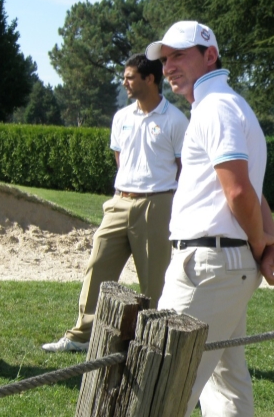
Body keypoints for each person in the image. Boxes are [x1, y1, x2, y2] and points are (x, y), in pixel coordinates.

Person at [146, 21, 274, 416]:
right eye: (165, 60)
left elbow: (238, 190)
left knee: (160, 389)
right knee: (225, 388)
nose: (168, 67)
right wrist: (266, 245)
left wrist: (259, 244)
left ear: (210, 55)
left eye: (179, 55)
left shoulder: (215, 107)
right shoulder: (228, 104)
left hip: (208, 269)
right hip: (223, 268)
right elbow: (251, 190)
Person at [42, 54, 189, 353]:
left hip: (157, 204)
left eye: (130, 77)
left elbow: (183, 166)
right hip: (119, 202)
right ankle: (82, 335)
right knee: (97, 265)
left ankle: (153, 341)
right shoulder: (121, 117)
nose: (125, 82)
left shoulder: (175, 120)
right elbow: (120, 156)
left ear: (150, 79)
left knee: (154, 279)